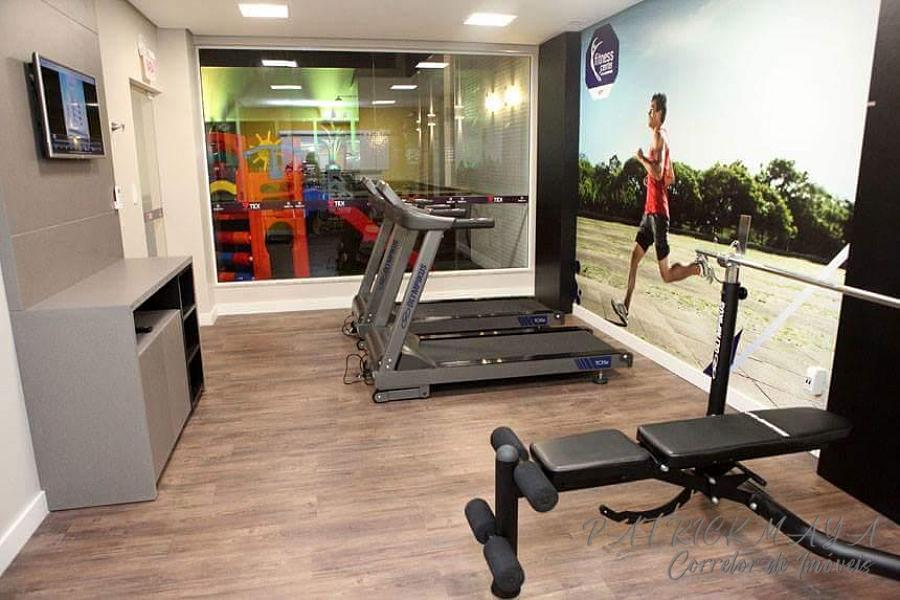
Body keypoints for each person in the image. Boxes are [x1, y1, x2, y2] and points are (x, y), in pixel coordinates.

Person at [611, 93, 714, 326]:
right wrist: (650, 179)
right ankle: (625, 306)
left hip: (658, 214)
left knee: (666, 275)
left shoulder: (659, 136)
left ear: (659, 113)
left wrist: (641, 159)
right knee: (634, 257)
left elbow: (658, 173)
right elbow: (670, 178)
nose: (648, 113)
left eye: (651, 109)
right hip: (650, 212)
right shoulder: (662, 138)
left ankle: (698, 268)